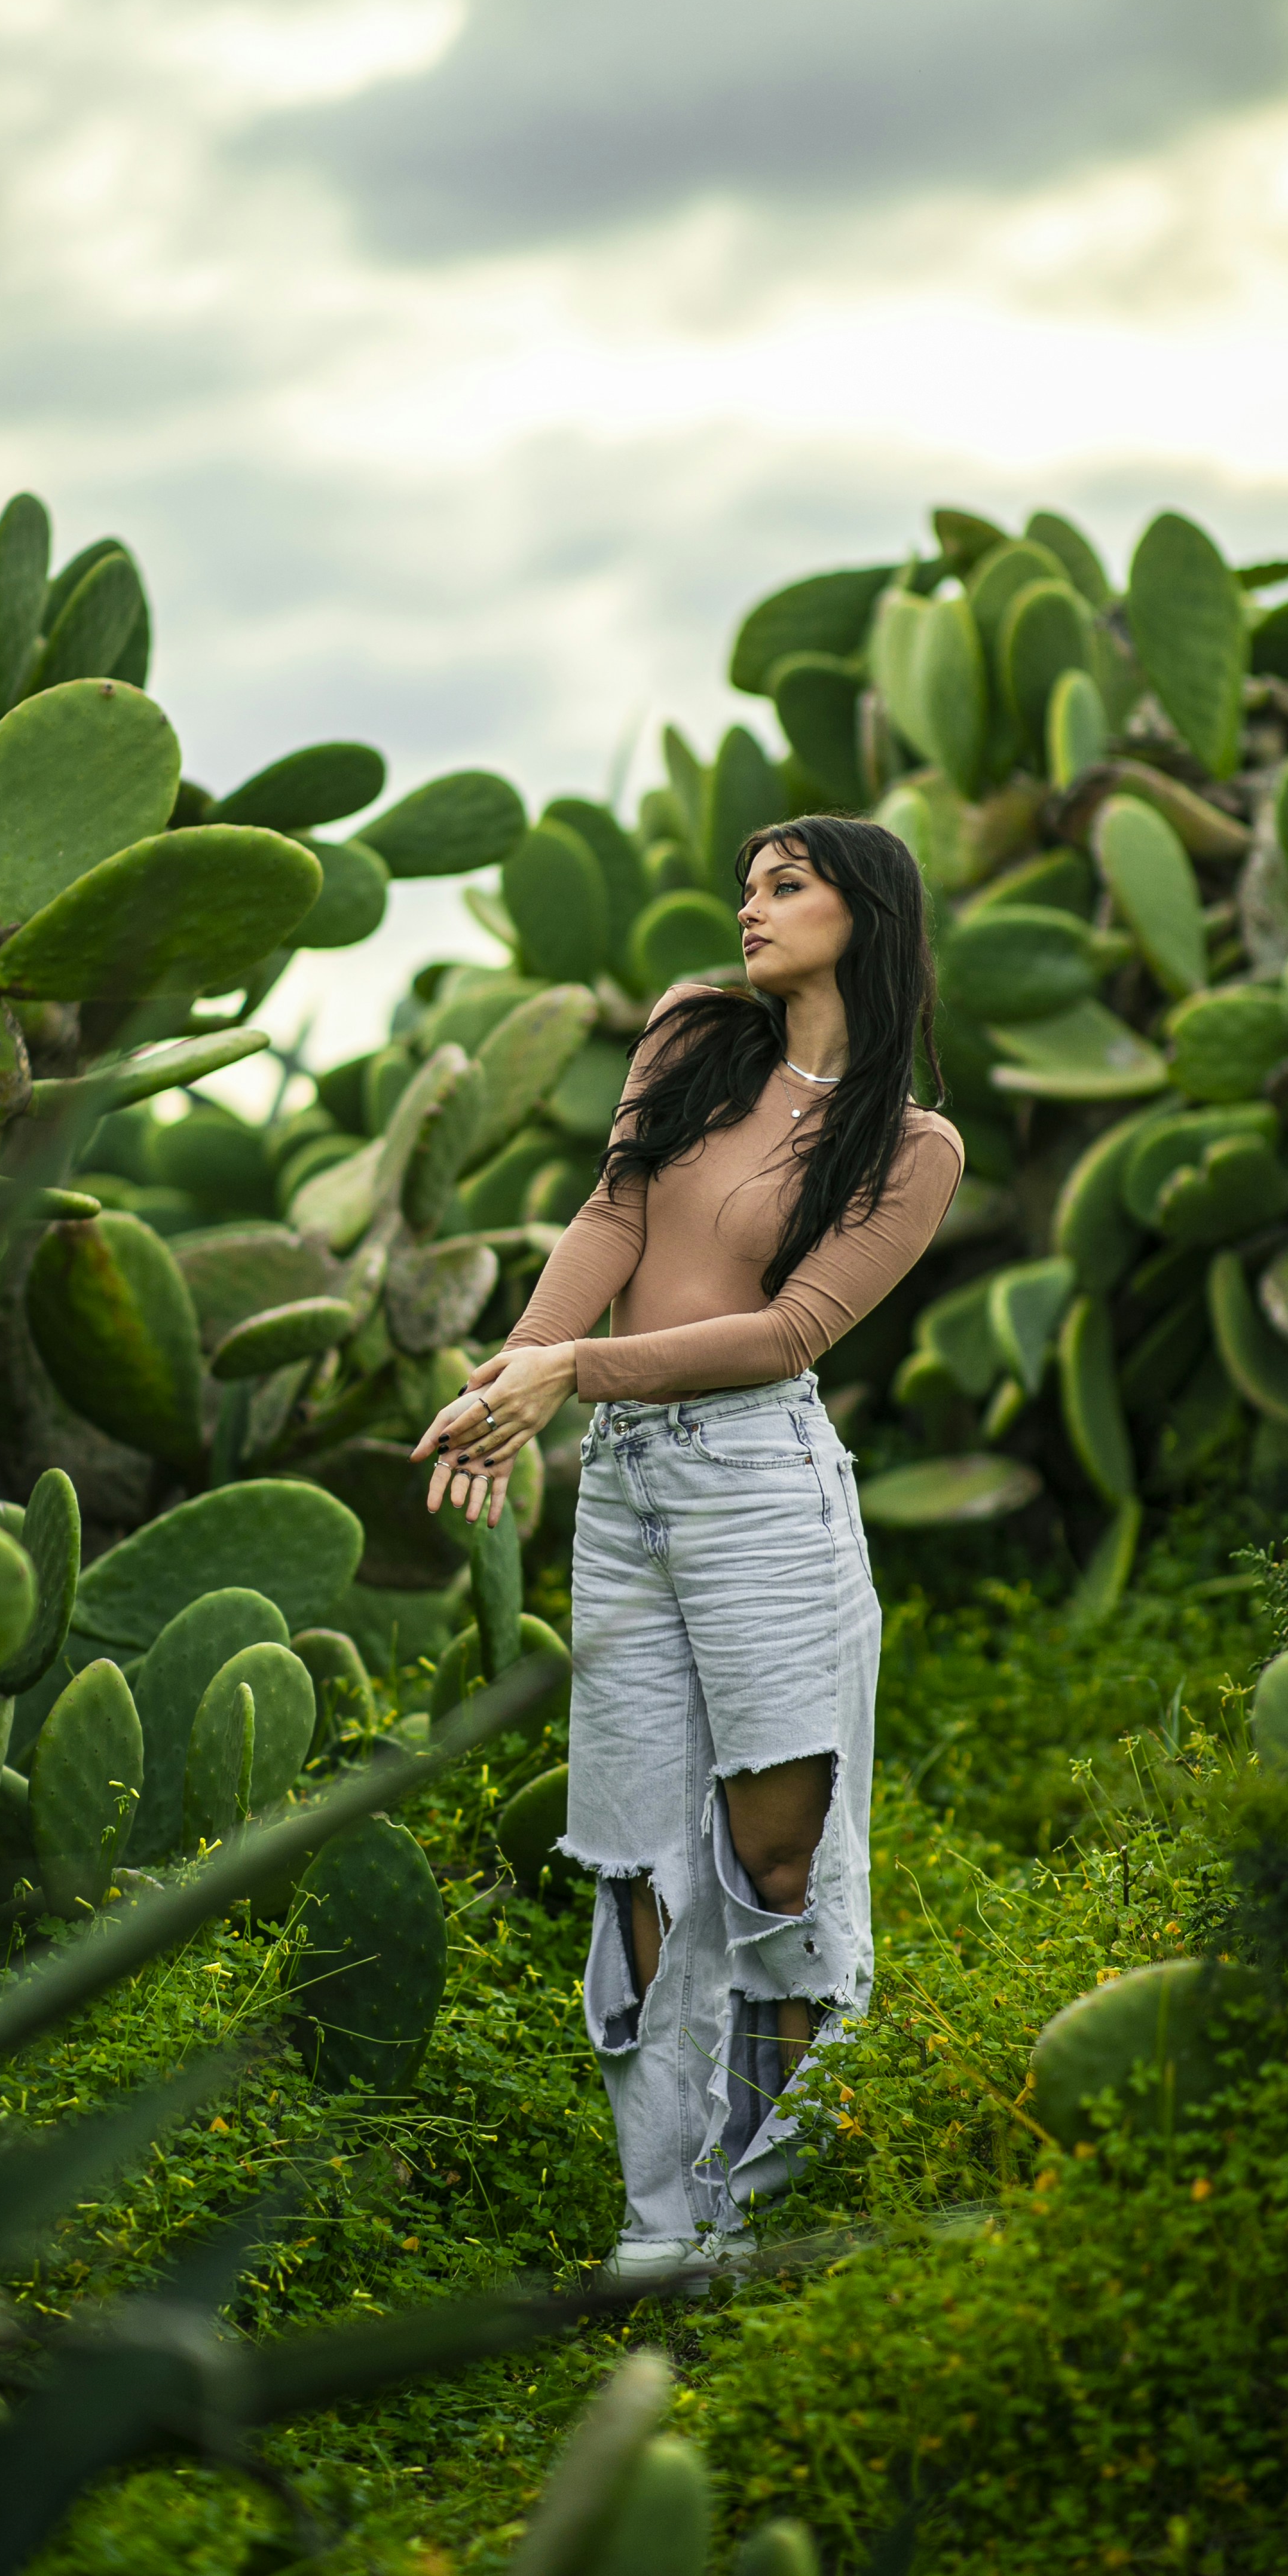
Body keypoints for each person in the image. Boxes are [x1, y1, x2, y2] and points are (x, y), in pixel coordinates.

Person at [412, 814, 964, 2274]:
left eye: (787, 886)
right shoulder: (692, 1034)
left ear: (870, 913)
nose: (752, 908)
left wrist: (571, 1376)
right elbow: (613, 1215)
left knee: (772, 1861)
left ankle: (753, 2208)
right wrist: (514, 1378)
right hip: (630, 1493)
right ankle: (660, 2229)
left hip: (764, 1491)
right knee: (642, 1866)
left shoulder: (912, 1144)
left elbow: (788, 1332)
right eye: (747, 887)